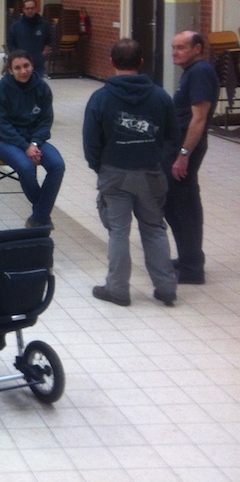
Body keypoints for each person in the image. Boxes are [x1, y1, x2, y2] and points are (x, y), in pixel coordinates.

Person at [84, 38, 179, 307]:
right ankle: (166, 288)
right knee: (154, 229)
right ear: (141, 62)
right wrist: (156, 159)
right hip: (150, 174)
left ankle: (117, 290)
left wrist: (100, 167)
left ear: (111, 62)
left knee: (118, 232)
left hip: (114, 173)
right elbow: (173, 137)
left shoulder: (101, 98)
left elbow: (91, 142)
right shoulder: (160, 96)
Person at [163, 30, 218, 285]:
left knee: (180, 206)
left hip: (185, 147)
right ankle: (190, 257)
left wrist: (183, 155)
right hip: (181, 145)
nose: (175, 52)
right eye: (173, 47)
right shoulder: (192, 71)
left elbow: (199, 119)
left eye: (181, 47)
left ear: (197, 49)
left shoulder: (200, 72)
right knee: (184, 204)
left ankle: (192, 268)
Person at [0, 50, 65, 227]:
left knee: (57, 165)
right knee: (26, 167)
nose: (23, 71)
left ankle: (38, 217)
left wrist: (35, 143)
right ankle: (42, 215)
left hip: (34, 140)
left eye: (26, 66)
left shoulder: (42, 88)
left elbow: (46, 121)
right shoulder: (0, 89)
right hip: (4, 140)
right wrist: (25, 146)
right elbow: (1, 125)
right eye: (17, 68)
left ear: (32, 66)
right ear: (10, 70)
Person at [7, 0, 54, 77]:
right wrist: (16, 56)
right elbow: (10, 42)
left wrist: (43, 54)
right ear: (23, 9)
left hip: (38, 64)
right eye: (27, 8)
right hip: (21, 65)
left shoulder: (44, 25)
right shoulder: (16, 26)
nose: (30, 11)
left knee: (37, 83)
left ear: (36, 9)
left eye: (32, 8)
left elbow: (50, 39)